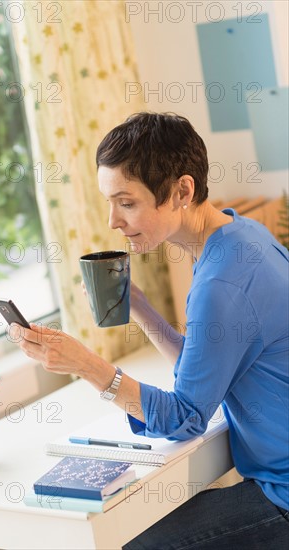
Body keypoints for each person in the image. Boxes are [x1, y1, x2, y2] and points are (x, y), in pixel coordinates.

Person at [14, 112, 289, 548]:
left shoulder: (221, 281)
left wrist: (86, 364)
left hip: (283, 499)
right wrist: (139, 306)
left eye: (127, 202)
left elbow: (185, 418)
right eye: (109, 202)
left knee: (126, 541)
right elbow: (203, 371)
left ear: (183, 190)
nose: (113, 222)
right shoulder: (240, 237)